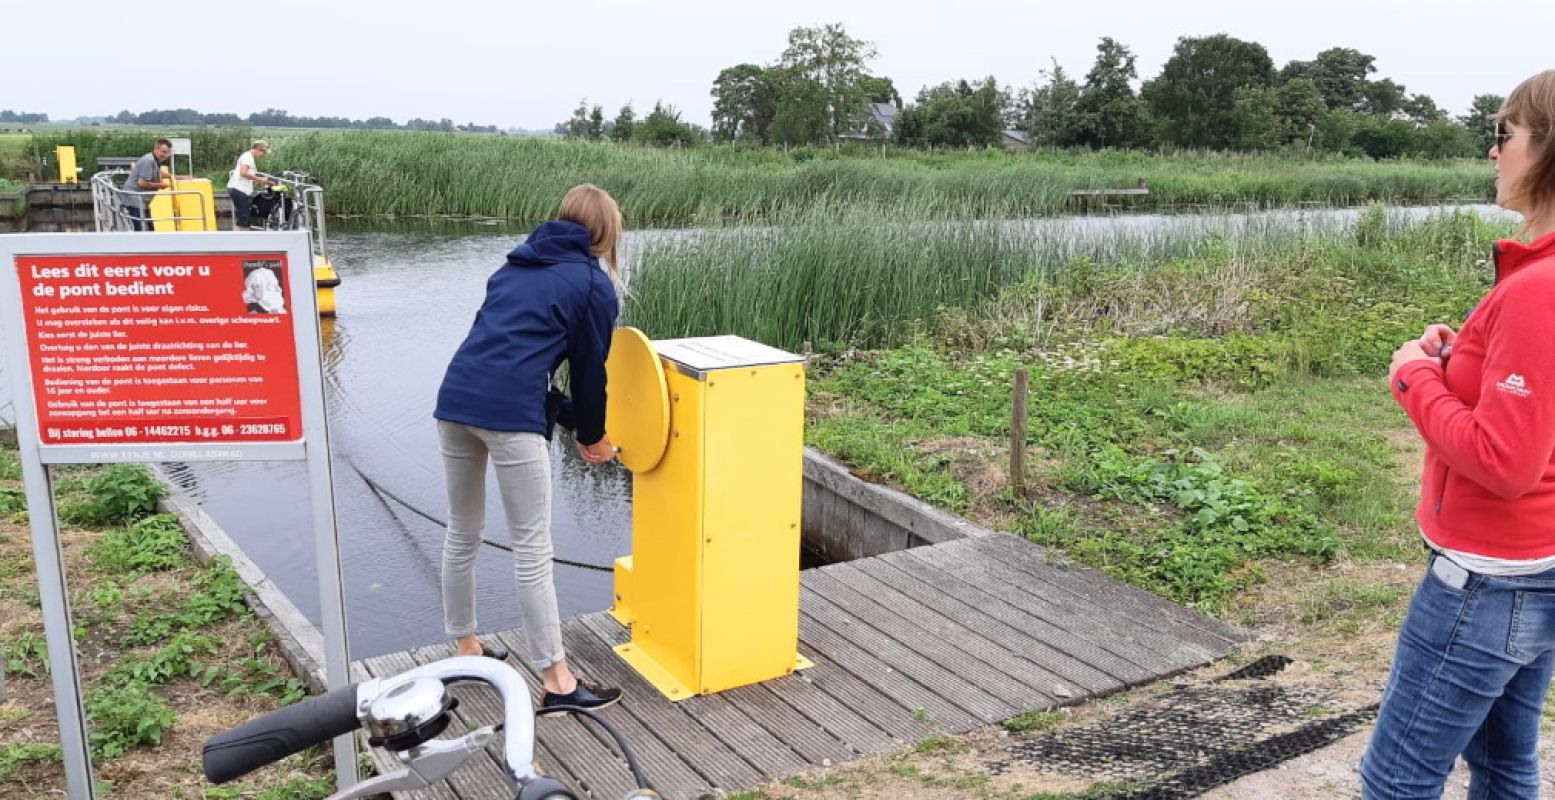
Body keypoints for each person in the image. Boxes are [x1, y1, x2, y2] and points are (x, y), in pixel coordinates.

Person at [1363, 70, 1555, 799]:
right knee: (1507, 767)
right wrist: (1460, 362)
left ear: (1546, 148)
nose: (1492, 152)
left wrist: (1413, 375)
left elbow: (1503, 461)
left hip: (1486, 580)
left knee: (1396, 780)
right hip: (1534, 567)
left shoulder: (1538, 288)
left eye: (1503, 134)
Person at [433, 184, 624, 710]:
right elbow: (591, 375)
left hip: (454, 401)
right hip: (509, 415)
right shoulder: (591, 284)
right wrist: (590, 435)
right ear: (606, 232)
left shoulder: (514, 266)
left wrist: (567, 420)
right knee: (533, 549)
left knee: (462, 533)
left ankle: (466, 647)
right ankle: (558, 682)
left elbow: (502, 349)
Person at [122, 138, 173, 231]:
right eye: (163, 152)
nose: (166, 155)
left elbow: (158, 173)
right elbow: (143, 183)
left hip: (140, 201)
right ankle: (143, 245)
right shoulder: (149, 161)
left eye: (168, 153)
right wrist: (161, 185)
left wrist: (174, 176)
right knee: (142, 229)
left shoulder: (154, 160)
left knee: (148, 228)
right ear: (155, 149)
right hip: (135, 199)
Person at [229, 140, 275, 230]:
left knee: (245, 217)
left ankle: (243, 237)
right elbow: (243, 173)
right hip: (239, 189)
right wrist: (260, 179)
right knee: (244, 217)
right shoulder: (248, 157)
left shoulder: (248, 157)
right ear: (258, 149)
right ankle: (238, 238)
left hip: (240, 189)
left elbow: (248, 174)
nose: (263, 155)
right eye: (263, 152)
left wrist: (263, 180)